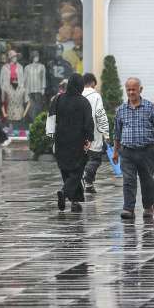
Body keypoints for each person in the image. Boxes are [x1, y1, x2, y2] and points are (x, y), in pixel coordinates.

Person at [112, 78, 154, 220]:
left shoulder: (150, 107)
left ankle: (148, 206)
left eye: (134, 89)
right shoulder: (120, 110)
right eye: (128, 90)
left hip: (146, 152)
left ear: (140, 90)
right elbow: (117, 133)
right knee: (128, 180)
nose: (131, 92)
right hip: (127, 152)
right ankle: (128, 208)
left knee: (147, 181)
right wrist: (115, 151)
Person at [50, 73, 94, 213]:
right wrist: (89, 139)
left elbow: (51, 119)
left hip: (61, 141)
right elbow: (88, 123)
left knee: (65, 170)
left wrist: (51, 137)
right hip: (78, 142)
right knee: (77, 171)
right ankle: (64, 192)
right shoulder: (84, 102)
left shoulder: (58, 99)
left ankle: (75, 201)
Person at [82, 73, 110, 193]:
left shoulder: (77, 94)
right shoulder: (96, 96)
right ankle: (86, 176)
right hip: (93, 133)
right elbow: (100, 114)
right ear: (93, 83)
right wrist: (106, 134)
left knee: (82, 159)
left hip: (78, 133)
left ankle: (88, 185)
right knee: (95, 160)